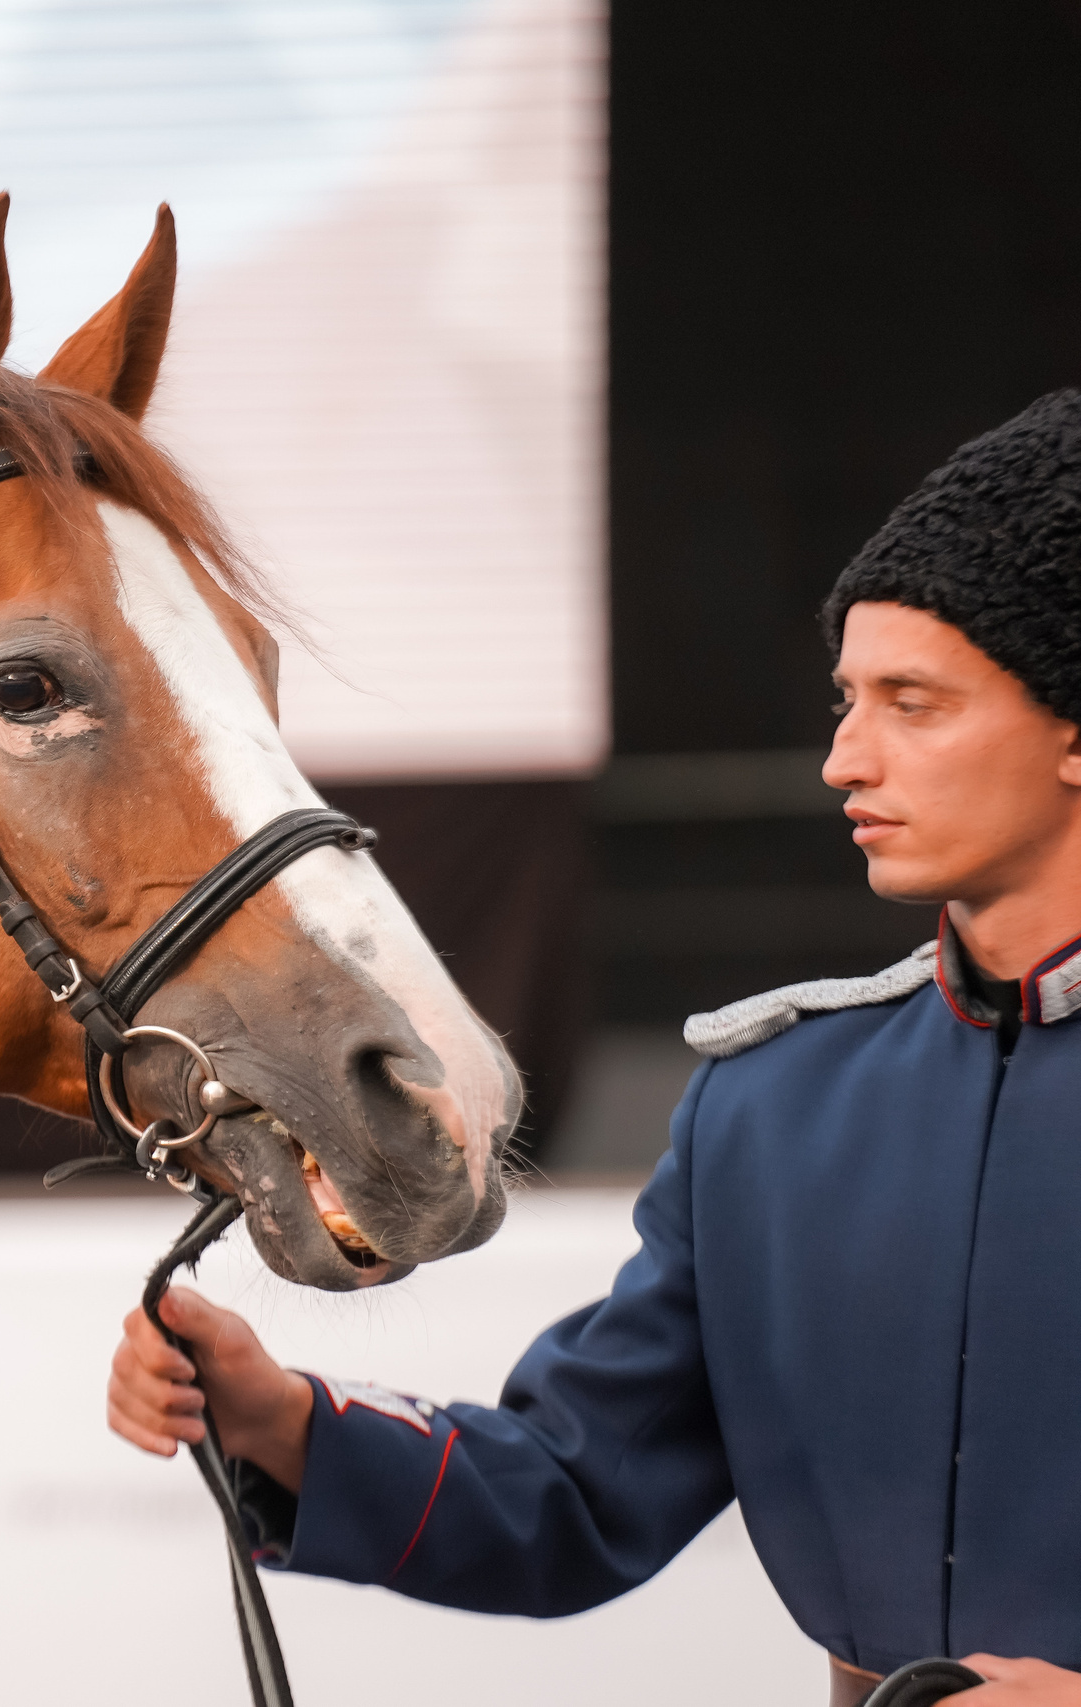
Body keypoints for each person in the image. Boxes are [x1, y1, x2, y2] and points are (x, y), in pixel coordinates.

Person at [108, 390, 1081, 1707]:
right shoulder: (774, 1112)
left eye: (915, 702)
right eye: (848, 699)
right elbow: (576, 1485)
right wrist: (281, 1419)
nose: (846, 758)